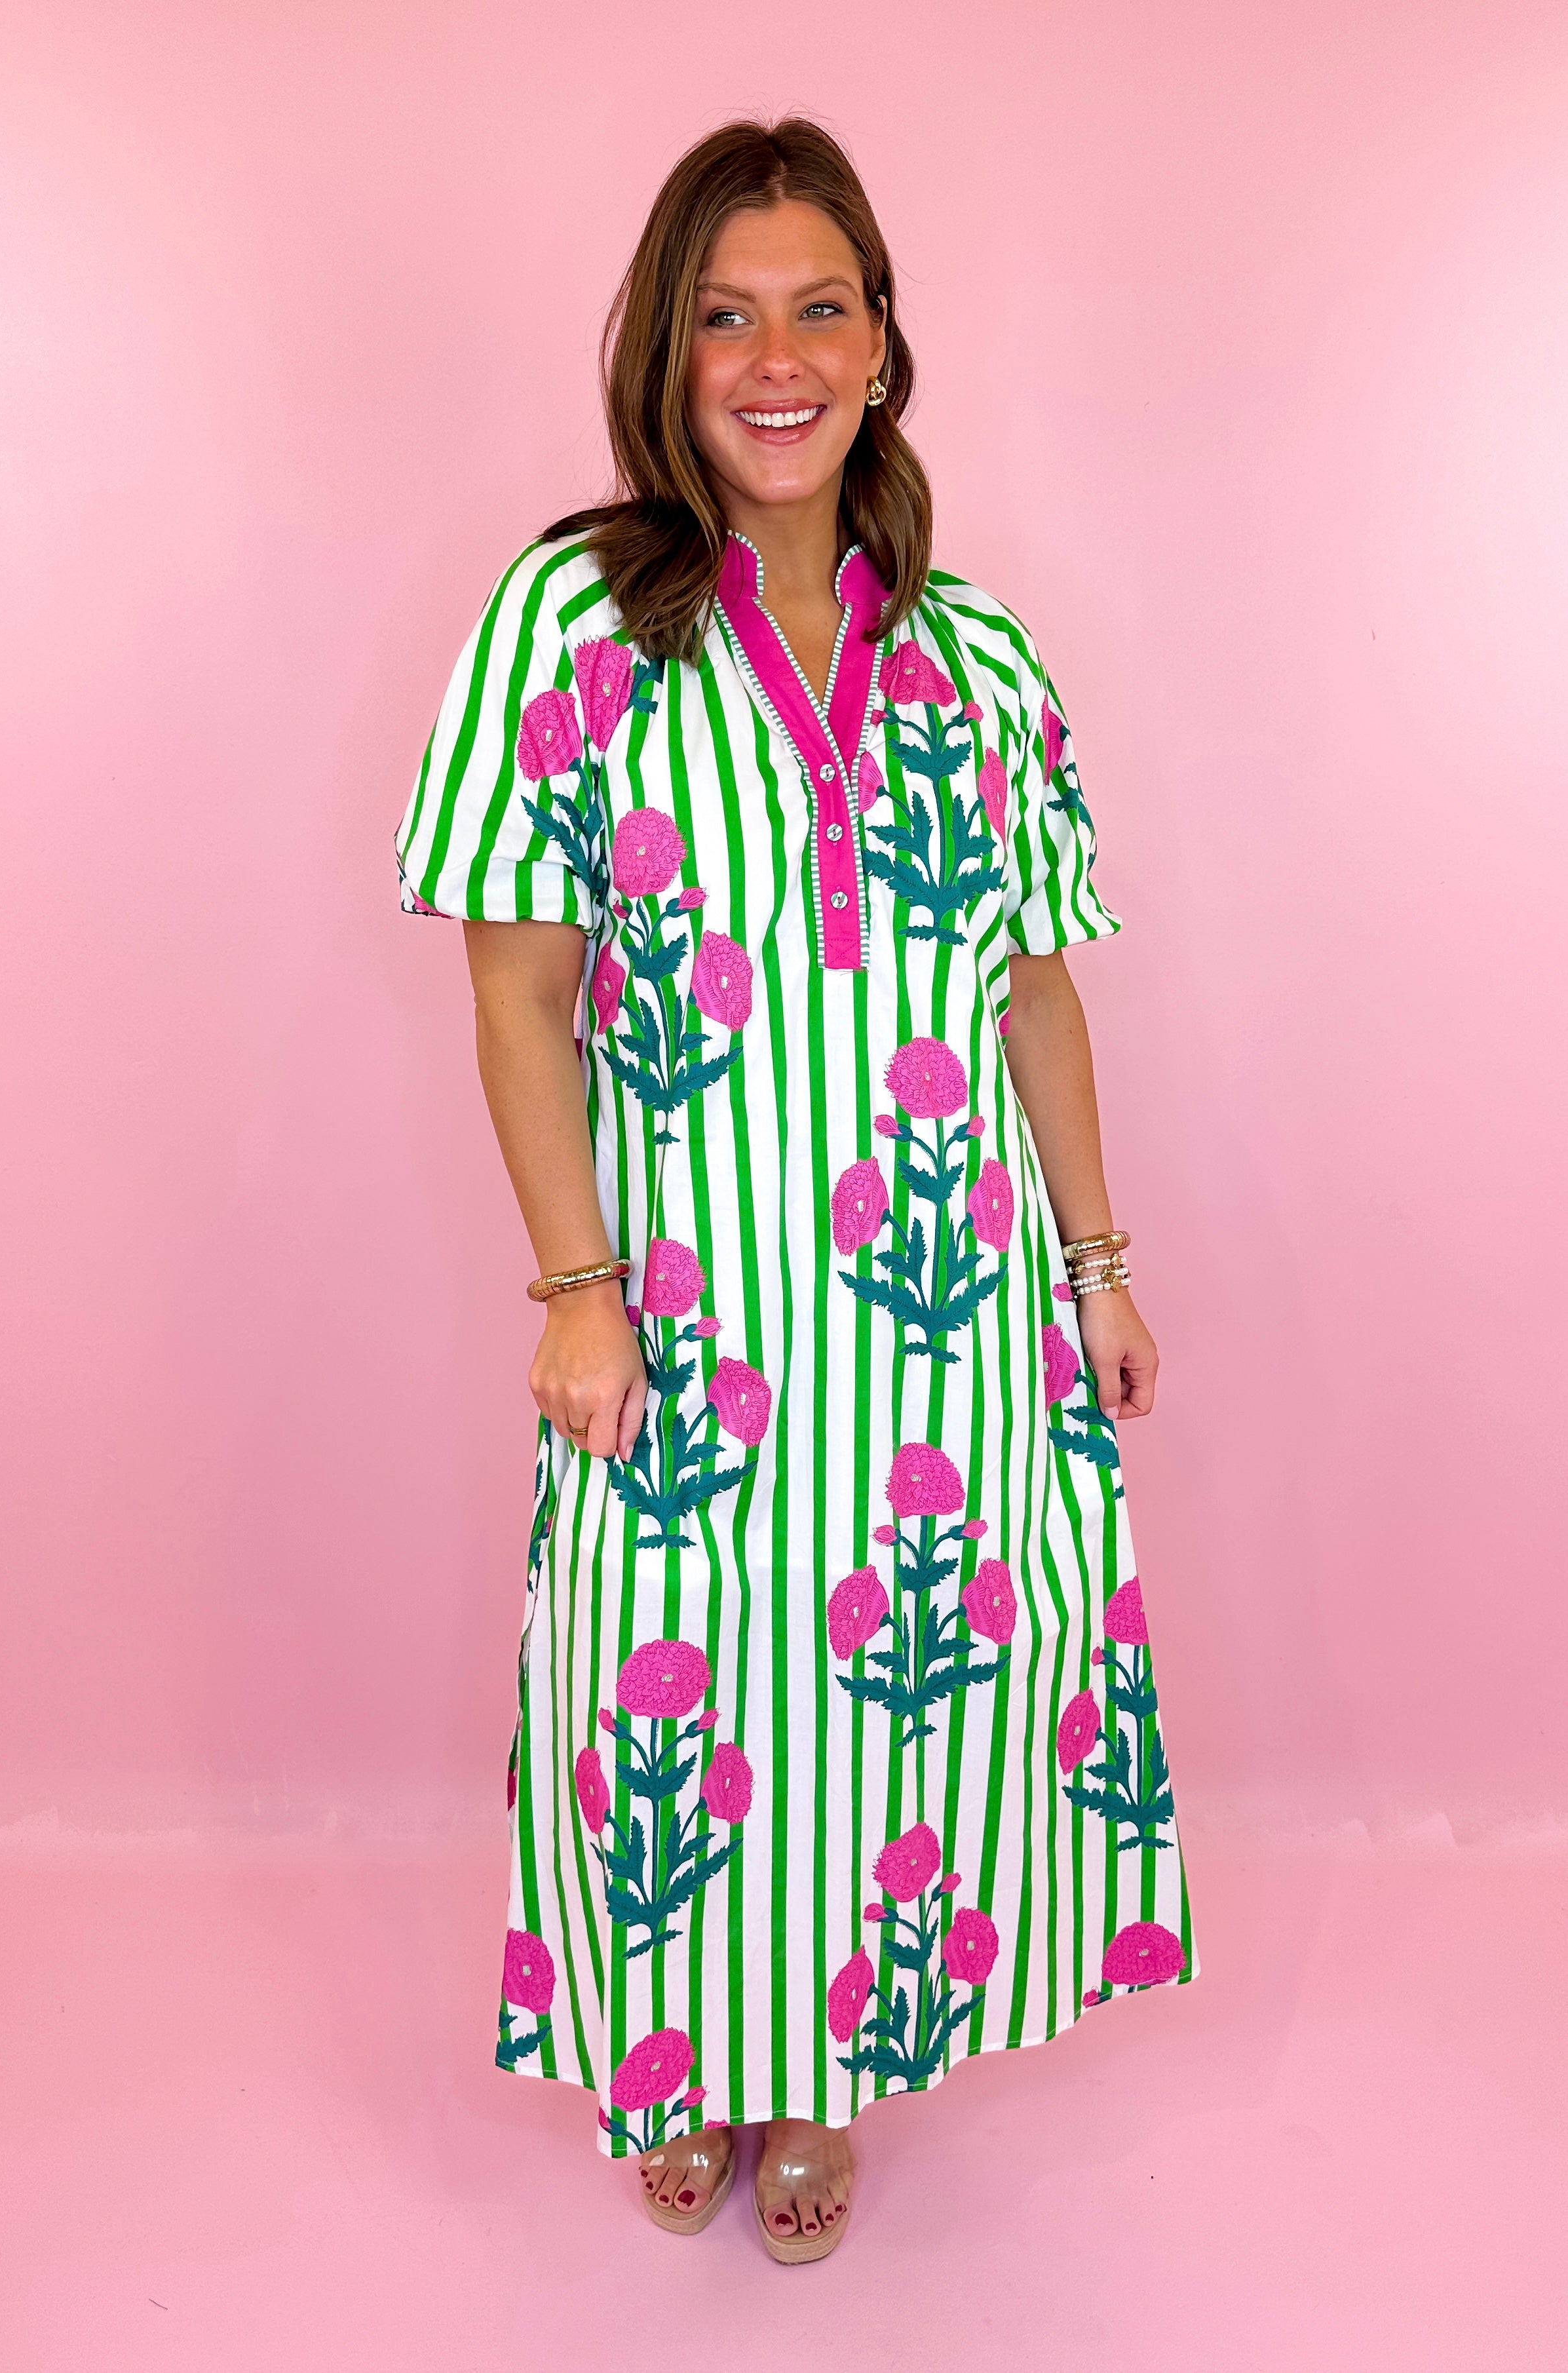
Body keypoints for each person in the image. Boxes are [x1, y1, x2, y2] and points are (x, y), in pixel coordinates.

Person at [396, 116, 1197, 2264]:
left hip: (951, 1319)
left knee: (898, 1713)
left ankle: (829, 2070)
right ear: (667, 357)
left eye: (819, 310)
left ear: (881, 347)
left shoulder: (981, 658)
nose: (778, 360)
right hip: (691, 1322)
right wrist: (577, 1290)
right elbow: (515, 988)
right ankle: (682, 2058)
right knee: (675, 1696)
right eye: (726, 317)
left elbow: (1034, 986)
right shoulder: (571, 624)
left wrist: (1098, 1263)